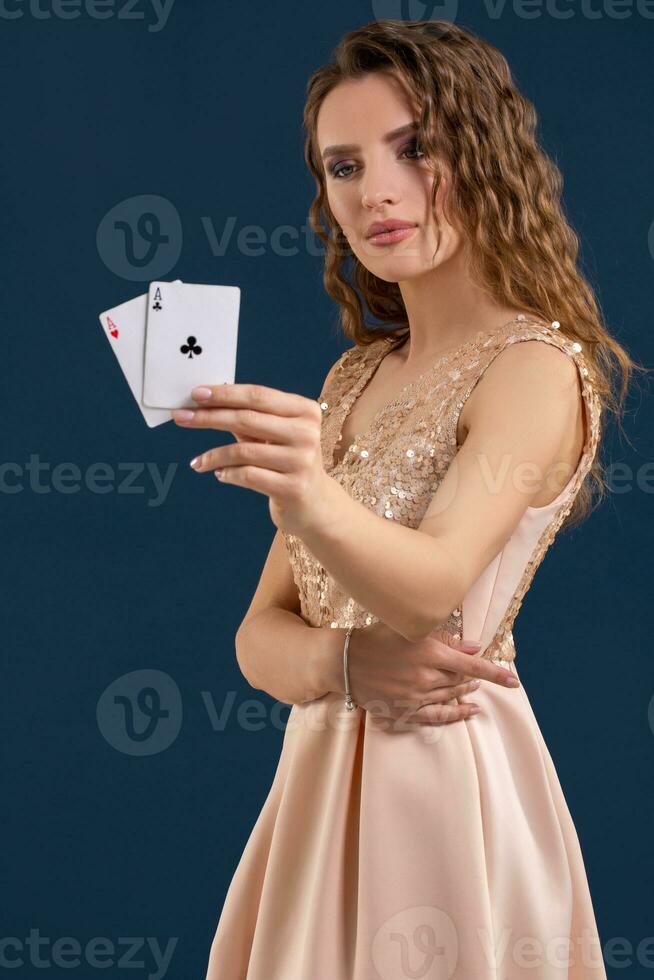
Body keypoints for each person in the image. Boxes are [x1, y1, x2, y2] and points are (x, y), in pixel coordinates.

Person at [176, 19, 641, 980]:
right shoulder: (353, 377)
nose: (376, 191)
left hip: (446, 785)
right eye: (342, 167)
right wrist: (346, 664)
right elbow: (256, 639)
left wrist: (305, 491)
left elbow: (431, 591)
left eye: (415, 148)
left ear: (484, 155)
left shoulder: (535, 367)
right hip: (316, 784)